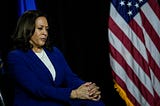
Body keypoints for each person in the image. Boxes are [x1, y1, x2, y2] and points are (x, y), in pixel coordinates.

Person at [6, 10, 105, 106]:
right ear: (27, 29)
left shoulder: (54, 52)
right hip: (35, 102)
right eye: (40, 28)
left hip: (58, 100)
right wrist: (74, 93)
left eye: (47, 29)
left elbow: (70, 77)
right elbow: (38, 88)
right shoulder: (16, 57)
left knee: (94, 102)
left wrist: (89, 89)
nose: (45, 33)